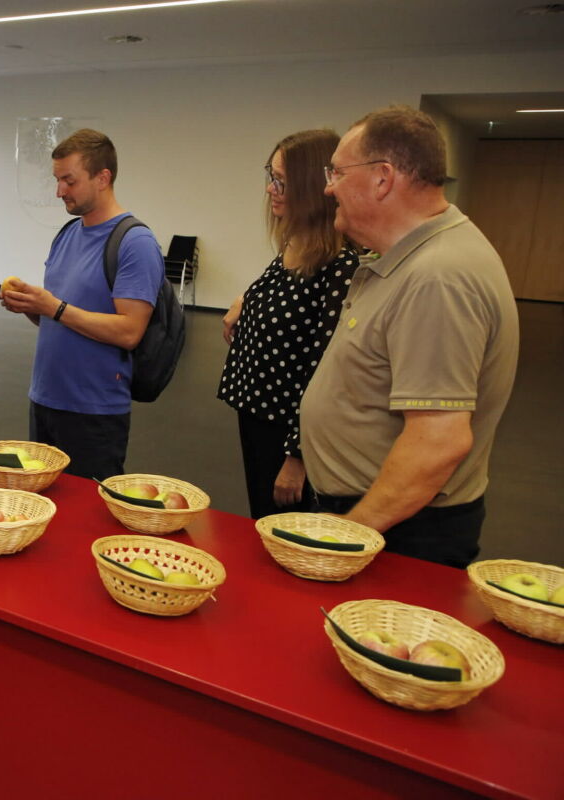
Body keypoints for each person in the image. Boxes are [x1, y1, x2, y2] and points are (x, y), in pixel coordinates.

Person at [302, 105, 519, 568]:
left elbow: (438, 440)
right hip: (385, 514)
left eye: (337, 172)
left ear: (383, 178)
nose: (328, 187)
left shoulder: (438, 276)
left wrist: (349, 535)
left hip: (399, 528)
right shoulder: (408, 258)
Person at [0, 129, 165, 480]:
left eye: (69, 181)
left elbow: (129, 331)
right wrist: (33, 306)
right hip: (45, 400)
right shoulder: (67, 234)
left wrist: (54, 307)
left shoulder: (136, 243)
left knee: (86, 520)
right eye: (58, 180)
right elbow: (59, 319)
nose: (60, 190)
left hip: (94, 412)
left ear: (102, 178)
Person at [218, 130, 357, 518]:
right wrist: (246, 302)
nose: (270, 189)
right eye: (271, 176)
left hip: (290, 433)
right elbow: (285, 299)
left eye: (281, 181)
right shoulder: (295, 246)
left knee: (284, 533)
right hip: (259, 418)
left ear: (313, 188)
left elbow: (325, 375)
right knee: (262, 521)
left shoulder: (340, 266)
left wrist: (297, 457)